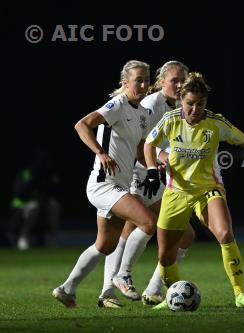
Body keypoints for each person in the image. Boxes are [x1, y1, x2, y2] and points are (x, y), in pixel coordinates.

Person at [142, 72, 244, 309]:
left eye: (201, 104)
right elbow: (150, 143)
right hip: (176, 192)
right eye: (190, 104)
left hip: (209, 189)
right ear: (181, 101)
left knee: (225, 234)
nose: (195, 109)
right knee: (166, 256)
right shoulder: (170, 120)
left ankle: (240, 294)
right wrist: (150, 169)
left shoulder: (216, 122)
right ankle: (173, 297)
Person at [52, 60, 157, 308]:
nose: (143, 85)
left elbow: (140, 150)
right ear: (125, 83)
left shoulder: (143, 113)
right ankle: (122, 275)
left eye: (146, 79)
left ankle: (67, 289)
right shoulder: (117, 104)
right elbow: (82, 125)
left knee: (106, 244)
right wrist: (100, 152)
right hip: (104, 185)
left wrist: (155, 167)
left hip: (118, 185)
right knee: (148, 221)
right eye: (138, 80)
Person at [98, 61, 197, 308]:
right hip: (140, 176)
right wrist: (159, 163)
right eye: (174, 80)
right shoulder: (152, 104)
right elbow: (144, 144)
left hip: (154, 176)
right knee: (132, 229)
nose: (179, 85)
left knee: (182, 234)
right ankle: (116, 283)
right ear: (161, 81)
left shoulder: (181, 107)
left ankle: (149, 289)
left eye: (183, 81)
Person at [7, 148, 61, 250]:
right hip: (21, 205)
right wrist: (33, 182)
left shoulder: (47, 173)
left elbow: (55, 190)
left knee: (54, 205)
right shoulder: (26, 173)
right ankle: (24, 237)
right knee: (33, 207)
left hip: (41, 204)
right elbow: (18, 192)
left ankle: (52, 237)